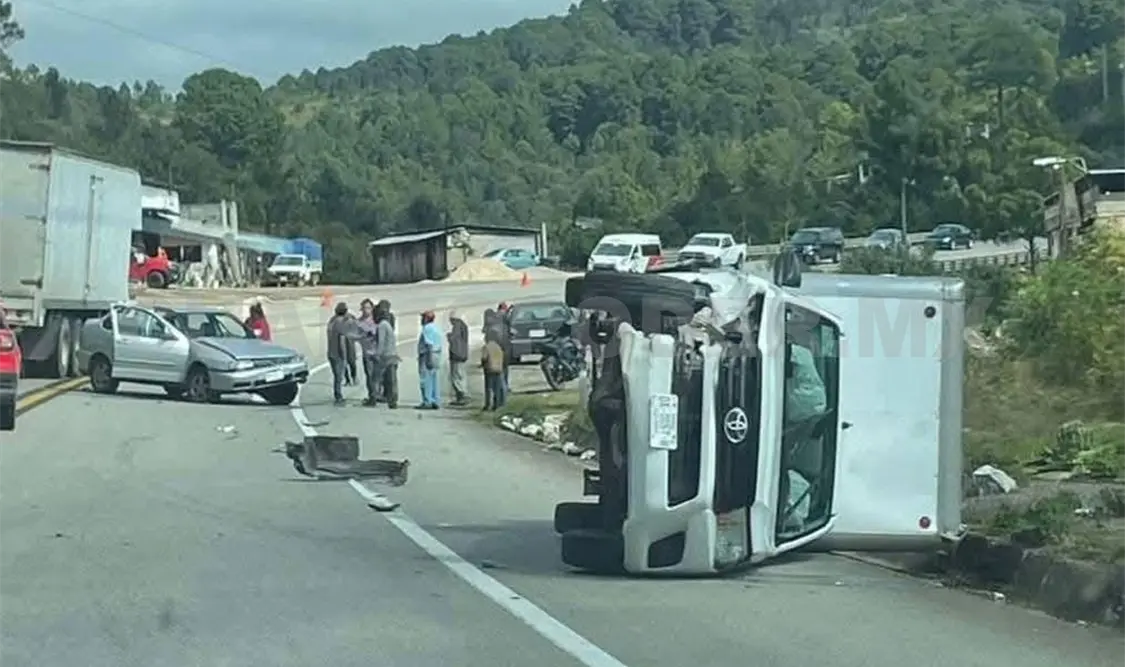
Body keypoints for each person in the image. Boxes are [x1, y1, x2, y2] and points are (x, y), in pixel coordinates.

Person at [371, 301, 399, 408]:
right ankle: (393, 400)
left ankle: (373, 397)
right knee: (391, 380)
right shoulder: (388, 324)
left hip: (385, 356)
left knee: (376, 378)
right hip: (392, 355)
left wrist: (377, 355)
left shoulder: (382, 325)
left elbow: (381, 342)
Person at [326, 302, 354, 406]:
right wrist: (345, 356)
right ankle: (338, 395)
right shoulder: (340, 323)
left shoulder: (331, 321)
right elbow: (342, 340)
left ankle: (337, 394)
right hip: (338, 353)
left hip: (330, 352)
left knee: (336, 375)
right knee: (339, 377)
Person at [356, 299, 381, 406]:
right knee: (370, 376)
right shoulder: (359, 322)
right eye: (364, 308)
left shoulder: (377, 320)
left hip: (377, 351)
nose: (366, 310)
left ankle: (378, 394)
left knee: (378, 376)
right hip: (367, 352)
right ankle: (372, 396)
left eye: (368, 308)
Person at [417, 310, 442, 409]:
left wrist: (429, 359)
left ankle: (427, 401)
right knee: (434, 378)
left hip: (428, 355)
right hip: (437, 354)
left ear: (427, 318)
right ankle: (435, 400)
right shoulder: (436, 327)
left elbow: (429, 344)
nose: (421, 320)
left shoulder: (427, 328)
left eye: (423, 317)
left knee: (425, 379)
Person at [447, 310, 470, 406]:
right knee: (461, 375)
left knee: (456, 375)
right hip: (463, 353)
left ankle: (461, 395)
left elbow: (454, 339)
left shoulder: (457, 326)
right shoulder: (464, 326)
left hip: (457, 354)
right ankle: (463, 393)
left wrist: (449, 336)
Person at [480, 329, 506, 411]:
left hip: (489, 370)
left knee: (488, 388)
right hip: (499, 369)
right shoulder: (498, 347)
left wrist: (483, 365)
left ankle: (487, 404)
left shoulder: (486, 347)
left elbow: (484, 358)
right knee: (497, 388)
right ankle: (497, 404)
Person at [496, 302, 513, 394]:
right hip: (504, 346)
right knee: (504, 369)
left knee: (498, 369)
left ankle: (500, 387)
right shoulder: (505, 317)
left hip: (495, 347)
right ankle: (504, 387)